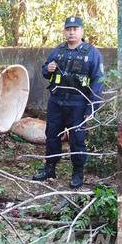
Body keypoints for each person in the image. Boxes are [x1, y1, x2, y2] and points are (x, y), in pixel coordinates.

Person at [33, 17, 105, 189]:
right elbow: (45, 70)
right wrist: (47, 69)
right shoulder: (57, 51)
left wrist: (92, 107)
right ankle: (50, 169)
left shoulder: (92, 53)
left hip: (78, 104)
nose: (71, 32)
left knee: (77, 139)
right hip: (57, 102)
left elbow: (98, 81)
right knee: (52, 136)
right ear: (65, 31)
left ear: (82, 31)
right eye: (68, 29)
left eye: (75, 29)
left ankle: (77, 173)